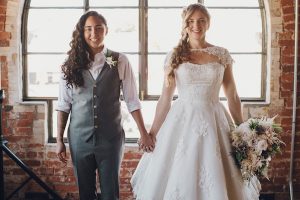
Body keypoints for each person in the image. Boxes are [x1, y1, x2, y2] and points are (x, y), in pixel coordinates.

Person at [131, 3, 261, 200]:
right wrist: (152, 133)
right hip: (183, 119)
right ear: (184, 25)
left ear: (208, 23)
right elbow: (165, 98)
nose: (196, 25)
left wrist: (244, 131)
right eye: (191, 21)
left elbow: (232, 95)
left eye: (201, 21)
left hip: (215, 119)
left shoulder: (221, 54)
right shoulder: (175, 56)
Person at [55, 11, 154, 200]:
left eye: (99, 28)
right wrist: (60, 140)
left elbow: (132, 100)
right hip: (79, 139)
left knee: (110, 194)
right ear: (82, 32)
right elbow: (63, 105)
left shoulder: (119, 60)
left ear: (106, 30)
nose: (94, 33)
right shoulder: (70, 64)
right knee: (86, 193)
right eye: (89, 29)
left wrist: (144, 133)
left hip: (111, 139)